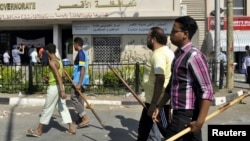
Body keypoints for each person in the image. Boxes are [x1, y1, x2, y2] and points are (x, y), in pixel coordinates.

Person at [152, 16, 214, 141]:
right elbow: (172, 86)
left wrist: (200, 122)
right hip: (178, 112)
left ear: (185, 34)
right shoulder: (178, 54)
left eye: (174, 31)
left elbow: (207, 90)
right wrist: (159, 106)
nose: (170, 34)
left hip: (187, 114)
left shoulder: (194, 56)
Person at [26, 43, 76, 137]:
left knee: (47, 108)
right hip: (58, 86)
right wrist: (49, 77)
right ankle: (71, 128)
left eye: (45, 51)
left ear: (48, 51)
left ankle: (39, 130)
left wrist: (62, 91)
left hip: (54, 88)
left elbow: (58, 76)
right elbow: (62, 74)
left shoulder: (52, 62)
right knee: (62, 107)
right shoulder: (59, 60)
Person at [137, 27, 174, 141]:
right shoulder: (166, 52)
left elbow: (160, 78)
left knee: (166, 131)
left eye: (148, 37)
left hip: (158, 103)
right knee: (143, 130)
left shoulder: (159, 55)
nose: (147, 40)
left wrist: (154, 105)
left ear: (153, 39)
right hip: (152, 101)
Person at [71, 37, 90, 128]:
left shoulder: (81, 53)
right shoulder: (84, 53)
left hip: (79, 81)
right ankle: (80, 118)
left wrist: (79, 83)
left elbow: (83, 68)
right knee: (80, 99)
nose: (73, 46)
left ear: (76, 44)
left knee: (73, 98)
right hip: (82, 80)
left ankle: (85, 117)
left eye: (73, 44)